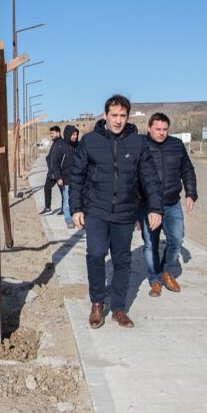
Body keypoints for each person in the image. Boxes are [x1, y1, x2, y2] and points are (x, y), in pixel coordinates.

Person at [68, 95, 162, 329]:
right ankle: (97, 304)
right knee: (95, 255)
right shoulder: (90, 141)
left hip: (125, 213)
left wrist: (154, 208)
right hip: (96, 211)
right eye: (114, 115)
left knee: (122, 261)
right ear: (105, 116)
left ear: (127, 117)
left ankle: (119, 308)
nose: (118, 121)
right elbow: (76, 177)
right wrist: (76, 208)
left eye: (122, 116)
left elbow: (149, 178)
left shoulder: (138, 143)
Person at [140, 113, 198, 297]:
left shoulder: (176, 145)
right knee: (151, 244)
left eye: (165, 129)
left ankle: (166, 271)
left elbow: (187, 170)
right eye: (158, 129)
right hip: (148, 205)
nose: (162, 133)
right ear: (149, 128)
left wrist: (191, 193)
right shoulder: (141, 145)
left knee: (176, 239)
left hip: (172, 203)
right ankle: (155, 280)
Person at [49, 125, 78, 228]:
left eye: (76, 134)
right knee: (67, 199)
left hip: (77, 179)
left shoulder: (77, 146)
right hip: (66, 178)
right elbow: (55, 163)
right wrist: (58, 177)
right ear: (68, 134)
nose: (75, 136)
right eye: (73, 134)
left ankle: (77, 217)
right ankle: (68, 219)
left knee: (77, 199)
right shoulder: (61, 146)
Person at [40, 126, 62, 215]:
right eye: (50, 134)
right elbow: (51, 157)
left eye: (53, 133)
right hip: (51, 173)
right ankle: (48, 207)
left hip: (59, 173)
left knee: (63, 192)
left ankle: (65, 209)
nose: (51, 135)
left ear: (58, 133)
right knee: (47, 188)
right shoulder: (54, 143)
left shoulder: (61, 144)